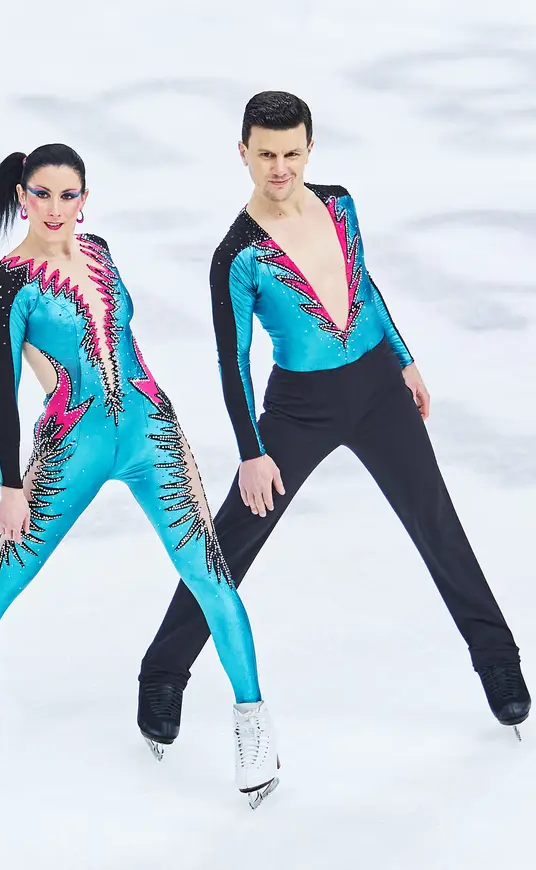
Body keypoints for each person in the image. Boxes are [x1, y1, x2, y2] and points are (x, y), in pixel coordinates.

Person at [137, 92, 530, 749]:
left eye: (292, 153)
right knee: (234, 536)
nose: (280, 167)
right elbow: (232, 362)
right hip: (301, 407)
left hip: (378, 388)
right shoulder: (237, 254)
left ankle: (496, 659)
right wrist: (252, 452)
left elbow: (364, 284)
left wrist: (403, 358)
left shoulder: (340, 203)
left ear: (310, 149)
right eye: (266, 154)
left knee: (436, 520)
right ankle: (163, 671)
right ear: (243, 153)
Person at [0, 143, 280, 804]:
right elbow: (3, 393)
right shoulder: (8, 285)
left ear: (85, 200)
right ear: (23, 197)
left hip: (153, 433)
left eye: (68, 195)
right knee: (4, 577)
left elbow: (119, 340)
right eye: (42, 194)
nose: (55, 207)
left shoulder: (100, 250)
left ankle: (253, 723)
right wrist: (10, 485)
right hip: (72, 447)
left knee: (209, 573)